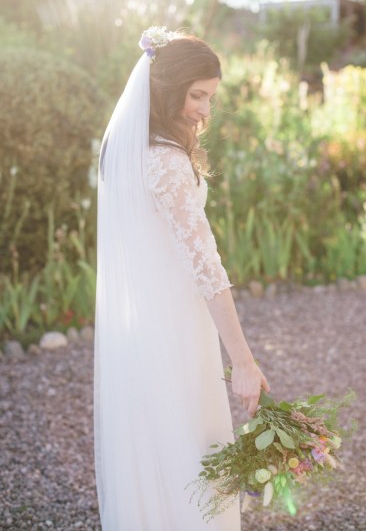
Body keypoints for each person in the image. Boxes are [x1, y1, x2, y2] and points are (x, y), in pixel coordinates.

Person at [94, 26, 270, 530]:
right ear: (167, 89)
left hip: (140, 333)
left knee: (155, 454)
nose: (205, 110)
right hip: (173, 333)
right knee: (190, 453)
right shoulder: (166, 162)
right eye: (197, 96)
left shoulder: (125, 154)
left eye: (210, 97)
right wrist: (243, 361)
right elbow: (206, 268)